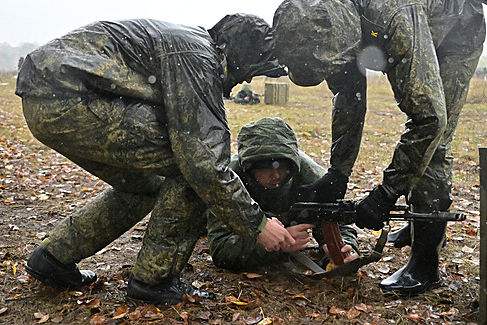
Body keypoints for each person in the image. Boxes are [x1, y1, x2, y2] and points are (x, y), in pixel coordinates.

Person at [17, 15, 297, 304]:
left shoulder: (191, 45)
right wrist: (258, 225)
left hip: (45, 99)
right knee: (190, 168)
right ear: (233, 54)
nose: (248, 80)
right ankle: (155, 281)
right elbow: (204, 163)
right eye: (249, 70)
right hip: (68, 97)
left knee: (144, 185)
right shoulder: (197, 57)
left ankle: (53, 258)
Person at [272, 0, 487, 295]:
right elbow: (349, 101)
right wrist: (338, 172)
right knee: (425, 132)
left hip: (457, 30)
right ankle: (420, 219)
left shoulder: (391, 13)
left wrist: (387, 193)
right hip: (404, 19)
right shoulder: (322, 25)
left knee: (435, 141)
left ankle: (425, 261)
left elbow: (430, 120)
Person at [207, 117, 359, 271]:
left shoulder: (312, 179)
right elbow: (221, 249)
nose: (276, 175)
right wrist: (275, 245)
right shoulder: (228, 182)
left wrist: (344, 249)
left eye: (282, 165)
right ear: (249, 167)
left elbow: (338, 224)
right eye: (265, 166)